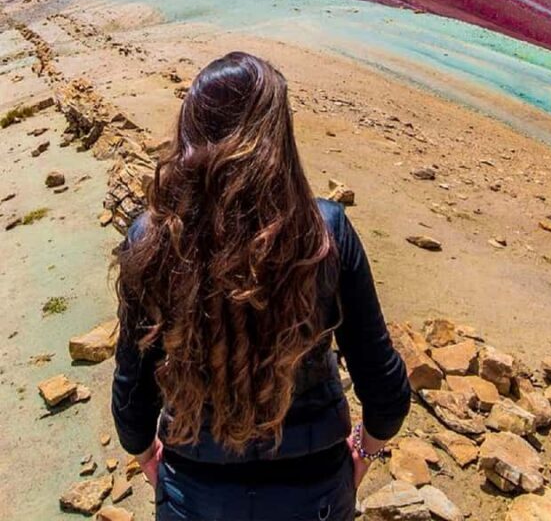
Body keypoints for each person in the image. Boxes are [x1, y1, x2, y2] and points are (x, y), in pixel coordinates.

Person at [112, 51, 411, 521]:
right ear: (279, 136)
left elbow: (132, 392)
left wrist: (147, 456)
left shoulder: (151, 239)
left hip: (195, 493)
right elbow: (385, 387)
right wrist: (364, 456)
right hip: (315, 493)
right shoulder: (325, 232)